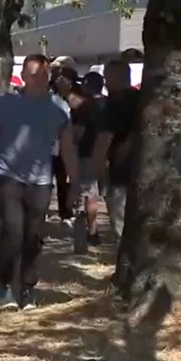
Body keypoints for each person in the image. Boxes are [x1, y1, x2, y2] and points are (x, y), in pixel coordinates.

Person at [0, 54, 79, 310]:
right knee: (13, 232)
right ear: (23, 76)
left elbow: (68, 147)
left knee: (33, 236)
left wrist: (75, 183)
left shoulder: (59, 107)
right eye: (34, 74)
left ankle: (27, 288)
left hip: (40, 181)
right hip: (8, 176)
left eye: (44, 74)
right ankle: (4, 285)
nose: (40, 79)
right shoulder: (4, 104)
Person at [90, 59, 140, 242]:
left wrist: (94, 169)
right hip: (145, 171)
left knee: (121, 226)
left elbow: (105, 138)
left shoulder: (113, 104)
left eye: (108, 77)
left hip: (121, 171)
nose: (105, 81)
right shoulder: (142, 100)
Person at [69, 72, 106, 245]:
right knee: (103, 195)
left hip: (87, 154)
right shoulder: (108, 103)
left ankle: (90, 231)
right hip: (108, 154)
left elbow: (78, 132)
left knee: (88, 194)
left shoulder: (86, 107)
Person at [50, 66, 78, 225]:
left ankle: (65, 211)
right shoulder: (49, 97)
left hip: (64, 147)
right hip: (49, 148)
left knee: (62, 181)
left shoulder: (72, 98)